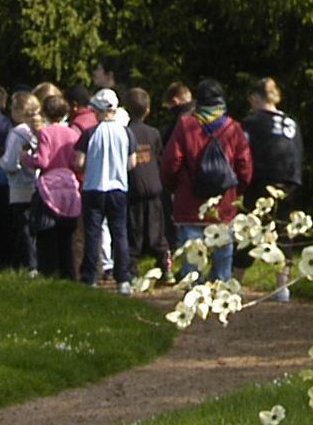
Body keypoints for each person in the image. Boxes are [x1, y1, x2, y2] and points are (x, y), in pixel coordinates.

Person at [167, 77, 253, 283]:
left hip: (190, 201)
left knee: (192, 259)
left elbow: (172, 162)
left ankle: (192, 302)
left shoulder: (185, 125)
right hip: (223, 203)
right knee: (223, 259)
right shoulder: (234, 128)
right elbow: (245, 168)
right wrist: (234, 191)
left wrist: (173, 187)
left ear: (198, 101)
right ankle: (220, 298)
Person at [244, 77, 305, 300]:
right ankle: (282, 288)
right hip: (290, 180)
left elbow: (244, 151)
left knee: (250, 229)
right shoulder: (291, 122)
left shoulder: (252, 122)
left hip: (263, 180)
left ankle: (235, 281)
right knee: (282, 230)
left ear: (256, 98)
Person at [79, 86, 134, 290]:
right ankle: (123, 279)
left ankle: (90, 277)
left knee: (93, 233)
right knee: (119, 233)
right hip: (118, 187)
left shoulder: (90, 133)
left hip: (94, 187)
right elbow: (132, 162)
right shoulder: (126, 133)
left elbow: (79, 160)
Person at [31, 87, 84, 280]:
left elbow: (42, 161)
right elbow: (76, 161)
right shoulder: (72, 133)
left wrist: (26, 159)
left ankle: (48, 270)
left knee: (47, 233)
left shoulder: (45, 133)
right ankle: (69, 271)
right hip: (69, 183)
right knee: (67, 234)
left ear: (45, 113)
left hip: (49, 183)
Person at [124, 87, 174, 285]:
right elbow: (160, 158)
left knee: (134, 230)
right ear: (148, 109)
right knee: (157, 230)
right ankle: (166, 267)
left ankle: (133, 272)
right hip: (154, 187)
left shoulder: (125, 132)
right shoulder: (153, 133)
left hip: (133, 187)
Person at [0, 91, 44, 273]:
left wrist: (0, 161)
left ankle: (30, 265)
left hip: (20, 184)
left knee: (24, 227)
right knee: (35, 226)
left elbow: (10, 163)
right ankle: (37, 263)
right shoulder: (40, 129)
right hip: (38, 182)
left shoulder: (17, 133)